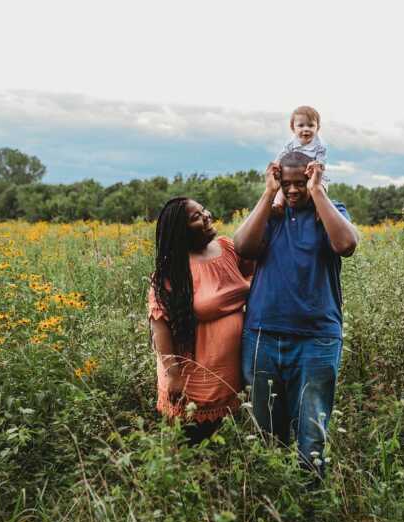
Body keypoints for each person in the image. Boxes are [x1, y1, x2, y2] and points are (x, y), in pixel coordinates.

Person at [234, 152, 359, 476]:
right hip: (263, 335)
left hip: (317, 341)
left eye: (300, 183)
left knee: (311, 436)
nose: (292, 190)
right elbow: (243, 248)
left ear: (313, 178)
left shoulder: (330, 213)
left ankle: (311, 508)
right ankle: (273, 506)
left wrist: (317, 192)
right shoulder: (270, 215)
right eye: (285, 184)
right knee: (265, 435)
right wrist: (267, 193)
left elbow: (346, 244)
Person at [148, 197, 252, 445]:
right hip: (192, 376)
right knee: (189, 445)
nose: (206, 216)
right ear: (180, 232)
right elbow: (159, 324)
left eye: (203, 210)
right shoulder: (172, 271)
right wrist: (173, 375)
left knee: (224, 445)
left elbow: (261, 262)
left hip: (228, 372)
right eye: (196, 217)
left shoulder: (228, 249)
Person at [271, 106, 329, 214]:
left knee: (319, 188)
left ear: (317, 128)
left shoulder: (320, 145)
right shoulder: (291, 143)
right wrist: (275, 166)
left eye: (311, 125)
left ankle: (320, 211)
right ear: (293, 128)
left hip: (313, 174)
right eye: (301, 125)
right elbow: (281, 156)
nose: (306, 129)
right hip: (293, 174)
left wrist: (316, 167)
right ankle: (278, 204)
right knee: (283, 185)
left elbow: (321, 163)